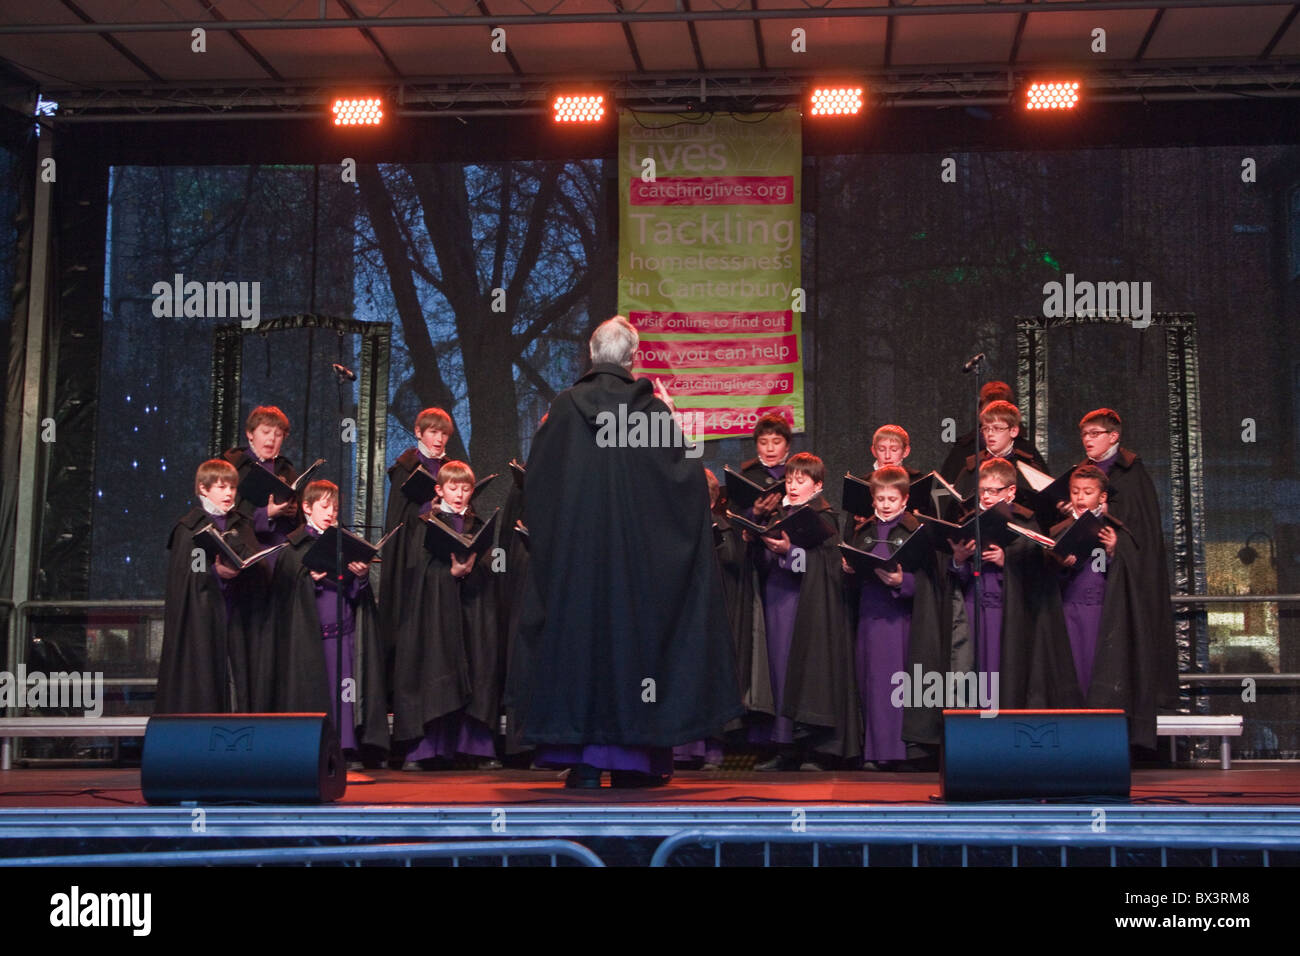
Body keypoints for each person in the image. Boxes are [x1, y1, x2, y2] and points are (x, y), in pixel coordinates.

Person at [506, 316, 742, 789]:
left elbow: (538, 487)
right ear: (633, 358)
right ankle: (635, 760)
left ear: (591, 356)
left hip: (578, 568)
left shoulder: (564, 410)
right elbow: (686, 487)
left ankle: (586, 760)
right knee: (636, 656)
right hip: (637, 571)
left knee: (581, 650)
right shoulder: (651, 412)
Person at [744, 452, 860, 771]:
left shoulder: (826, 517)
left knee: (809, 670)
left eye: (801, 480)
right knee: (779, 672)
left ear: (818, 484)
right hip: (776, 600)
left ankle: (815, 749)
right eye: (790, 480)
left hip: (810, 606)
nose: (793, 486)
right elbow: (762, 562)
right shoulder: (777, 514)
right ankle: (785, 747)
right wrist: (759, 543)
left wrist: (790, 552)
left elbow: (829, 565)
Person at [1070, 408, 1179, 731]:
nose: (1087, 440)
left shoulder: (1131, 474)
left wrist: (1120, 542)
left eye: (1094, 434)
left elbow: (1142, 532)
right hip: (1080, 583)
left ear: (1113, 436)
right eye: (1084, 435)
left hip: (1116, 584)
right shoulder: (1080, 472)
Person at [268, 480, 389, 767]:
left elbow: (358, 595)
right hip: (311, 636)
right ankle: (315, 749)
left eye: (334, 507)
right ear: (307, 508)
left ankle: (346, 747)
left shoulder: (343, 541)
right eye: (324, 506)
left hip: (343, 631)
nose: (330, 512)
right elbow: (285, 593)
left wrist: (360, 576)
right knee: (315, 691)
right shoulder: (294, 546)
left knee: (345, 692)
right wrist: (307, 581)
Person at [393, 460, 501, 770]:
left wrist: (473, 568)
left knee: (476, 667)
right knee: (436, 670)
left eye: (466, 489)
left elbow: (488, 568)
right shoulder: (425, 523)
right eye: (453, 488)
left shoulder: (476, 524)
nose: (459, 495)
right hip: (436, 613)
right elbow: (416, 569)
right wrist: (448, 573)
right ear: (439, 490)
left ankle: (475, 748)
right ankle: (427, 749)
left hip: (471, 610)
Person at [841, 466, 942, 768]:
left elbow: (931, 578)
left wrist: (904, 583)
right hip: (870, 615)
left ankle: (903, 752)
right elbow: (853, 576)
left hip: (902, 620)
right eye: (880, 498)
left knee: (900, 685)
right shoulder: (864, 532)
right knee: (871, 682)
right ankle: (874, 752)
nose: (885, 504)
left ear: (905, 499)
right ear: (872, 499)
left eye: (891, 498)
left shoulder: (916, 531)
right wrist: (849, 571)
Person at [946, 457, 1064, 710]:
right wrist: (959, 559)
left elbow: (1038, 569)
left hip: (1007, 611)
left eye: (993, 491)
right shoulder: (968, 519)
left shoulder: (1025, 521)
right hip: (972, 608)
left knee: (1004, 673)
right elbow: (955, 574)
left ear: (1011, 491)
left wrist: (1005, 559)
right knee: (970, 672)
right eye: (982, 490)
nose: (986, 496)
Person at [156, 459, 271, 714]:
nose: (229, 493)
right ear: (203, 489)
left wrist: (250, 566)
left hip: (238, 618)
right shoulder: (189, 528)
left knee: (238, 680)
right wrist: (215, 573)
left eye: (232, 487)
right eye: (221, 487)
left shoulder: (241, 524)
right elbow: (183, 577)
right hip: (203, 620)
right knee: (205, 681)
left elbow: (257, 567)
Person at [378, 407, 455, 694]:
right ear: (419, 432)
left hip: (442, 555)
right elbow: (398, 518)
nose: (439, 439)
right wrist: (428, 510)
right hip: (411, 557)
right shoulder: (406, 468)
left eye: (444, 433)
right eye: (433, 432)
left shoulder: (450, 468)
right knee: (408, 620)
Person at [950, 400, 1049, 518]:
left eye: (997, 428)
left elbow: (1042, 516)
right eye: (986, 429)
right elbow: (954, 513)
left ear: (1013, 431)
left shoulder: (1028, 470)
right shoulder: (971, 469)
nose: (990, 434)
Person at [221, 405, 299, 550]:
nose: (271, 439)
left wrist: (294, 512)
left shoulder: (286, 470)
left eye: (278, 434)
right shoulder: (234, 467)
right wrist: (266, 514)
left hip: (281, 551)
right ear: (250, 434)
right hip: (247, 549)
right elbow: (226, 518)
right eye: (266, 432)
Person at [940, 381, 1048, 483]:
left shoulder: (1027, 459)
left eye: (998, 427)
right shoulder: (965, 455)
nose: (991, 433)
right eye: (987, 427)